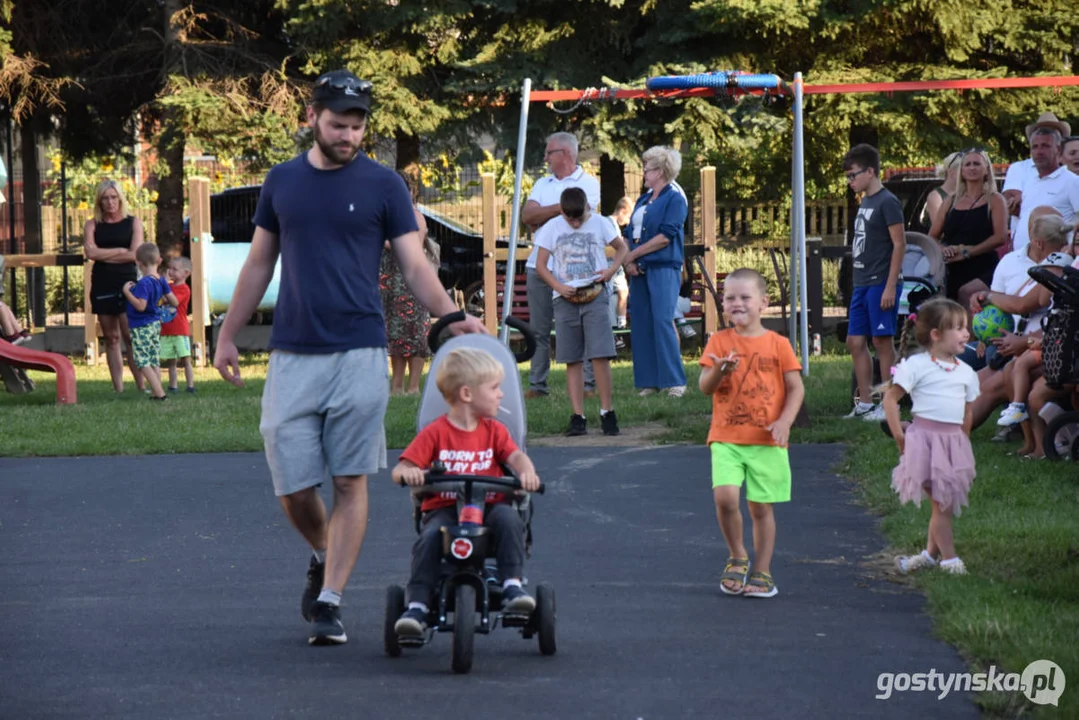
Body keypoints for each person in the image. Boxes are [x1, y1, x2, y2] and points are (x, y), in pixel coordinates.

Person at [212, 69, 485, 646]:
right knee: (292, 485)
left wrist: (449, 315)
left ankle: (331, 600)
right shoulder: (282, 181)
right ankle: (321, 552)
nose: (349, 135)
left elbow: (414, 264)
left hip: (362, 349)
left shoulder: (385, 185)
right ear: (311, 117)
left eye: (358, 125)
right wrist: (227, 333)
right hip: (292, 353)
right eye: (338, 123)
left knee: (350, 481)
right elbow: (260, 263)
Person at [391, 347, 541, 637]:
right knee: (431, 537)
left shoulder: (495, 431)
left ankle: (512, 586)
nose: (501, 394)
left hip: (489, 508)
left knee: (510, 521)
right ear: (467, 394)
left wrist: (527, 473)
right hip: (445, 510)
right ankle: (419, 605)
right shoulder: (436, 433)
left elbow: (516, 457)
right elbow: (400, 470)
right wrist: (411, 473)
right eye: (495, 388)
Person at [699, 268, 804, 598]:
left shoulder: (779, 344)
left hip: (768, 440)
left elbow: (795, 388)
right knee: (726, 496)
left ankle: (763, 570)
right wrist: (720, 369)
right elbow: (705, 387)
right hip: (727, 437)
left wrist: (786, 421)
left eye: (745, 297)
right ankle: (737, 555)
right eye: (729, 298)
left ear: (764, 303)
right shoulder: (718, 342)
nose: (736, 303)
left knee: (761, 509)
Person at [884, 299, 980, 576]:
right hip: (924, 442)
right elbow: (891, 400)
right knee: (942, 505)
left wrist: (963, 441)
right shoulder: (917, 365)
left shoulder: (966, 372)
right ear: (936, 334)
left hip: (952, 444)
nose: (966, 334)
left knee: (943, 504)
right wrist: (901, 438)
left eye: (966, 328)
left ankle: (928, 556)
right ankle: (950, 561)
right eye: (959, 328)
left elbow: (967, 411)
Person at [535, 187, 628, 436]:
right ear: (562, 212)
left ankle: (607, 411)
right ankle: (578, 416)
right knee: (572, 359)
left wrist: (610, 271)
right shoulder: (552, 227)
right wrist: (557, 285)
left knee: (600, 355)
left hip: (595, 295)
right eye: (570, 218)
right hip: (565, 299)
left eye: (579, 218)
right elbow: (541, 265)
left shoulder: (600, 223)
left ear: (588, 208)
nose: (575, 223)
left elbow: (622, 248)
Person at [522, 132, 601, 400]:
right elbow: (527, 216)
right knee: (539, 328)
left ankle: (589, 385)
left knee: (582, 326)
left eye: (549, 153)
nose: (545, 158)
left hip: (575, 268)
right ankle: (537, 384)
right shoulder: (542, 183)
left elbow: (580, 214)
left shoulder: (590, 183)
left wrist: (545, 213)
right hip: (538, 266)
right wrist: (564, 206)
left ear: (566, 154)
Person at [842, 144, 906, 421]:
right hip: (862, 283)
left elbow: (900, 244)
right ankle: (865, 403)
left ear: (870, 171)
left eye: (853, 175)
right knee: (855, 342)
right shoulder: (865, 200)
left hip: (881, 282)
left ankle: (888, 402)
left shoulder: (887, 201)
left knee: (882, 341)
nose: (850, 181)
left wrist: (890, 286)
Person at [623, 145, 689, 397]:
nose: (643, 173)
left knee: (662, 321)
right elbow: (631, 233)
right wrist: (629, 262)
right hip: (639, 269)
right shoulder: (644, 198)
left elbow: (665, 237)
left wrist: (634, 255)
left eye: (647, 168)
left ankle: (674, 381)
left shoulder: (675, 198)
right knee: (641, 323)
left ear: (661, 171)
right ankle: (649, 382)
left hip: (663, 267)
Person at [84, 179, 146, 393]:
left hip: (127, 282)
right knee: (111, 337)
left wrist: (106, 254)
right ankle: (118, 388)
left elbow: (135, 254)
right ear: (99, 202)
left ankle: (142, 385)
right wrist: (120, 252)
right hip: (102, 282)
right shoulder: (93, 224)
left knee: (130, 335)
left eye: (113, 197)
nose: (110, 202)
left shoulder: (133, 223)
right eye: (105, 198)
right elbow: (90, 253)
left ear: (120, 199)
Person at [927, 148, 1006, 309]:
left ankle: (968, 335)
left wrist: (968, 252)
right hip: (952, 266)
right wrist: (942, 249)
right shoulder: (951, 200)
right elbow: (933, 236)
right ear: (961, 171)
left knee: (966, 293)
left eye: (977, 163)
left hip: (983, 265)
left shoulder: (995, 199)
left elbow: (1000, 237)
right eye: (967, 164)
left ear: (986, 169)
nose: (972, 167)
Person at [381, 177, 434, 395]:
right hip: (390, 282)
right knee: (395, 333)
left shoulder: (416, 216)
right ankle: (396, 386)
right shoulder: (385, 217)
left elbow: (413, 245)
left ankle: (413, 387)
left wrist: (380, 239)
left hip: (411, 281)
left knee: (415, 333)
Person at [1010, 117, 1079, 254]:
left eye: (1045, 146)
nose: (1039, 151)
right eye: (1035, 147)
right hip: (1023, 259)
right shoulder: (1030, 181)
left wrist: (1071, 248)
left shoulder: (1073, 181)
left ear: (1058, 150)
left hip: (1055, 261)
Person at [122, 243, 177, 401]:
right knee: (153, 359)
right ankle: (155, 392)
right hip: (154, 323)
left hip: (141, 325)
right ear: (159, 260)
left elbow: (140, 306)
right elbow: (174, 302)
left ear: (138, 262)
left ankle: (160, 394)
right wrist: (162, 298)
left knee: (143, 361)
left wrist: (127, 292)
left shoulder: (144, 283)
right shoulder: (161, 280)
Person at [161, 256, 195, 393]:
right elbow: (162, 299)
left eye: (175, 269)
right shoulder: (168, 287)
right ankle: (173, 385)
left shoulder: (184, 289)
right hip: (166, 329)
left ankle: (190, 385)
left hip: (180, 330)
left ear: (186, 273)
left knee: (186, 359)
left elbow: (173, 301)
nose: (171, 272)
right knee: (171, 361)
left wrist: (164, 290)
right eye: (170, 268)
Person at [606, 196, 633, 332]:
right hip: (610, 264)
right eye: (628, 217)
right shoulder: (608, 222)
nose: (628, 222)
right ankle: (614, 327)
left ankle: (622, 322)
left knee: (623, 291)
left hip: (616, 266)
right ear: (622, 211)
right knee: (611, 295)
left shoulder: (615, 225)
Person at [922, 151, 962, 229]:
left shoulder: (965, 192)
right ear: (950, 171)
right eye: (961, 169)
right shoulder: (936, 196)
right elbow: (939, 229)